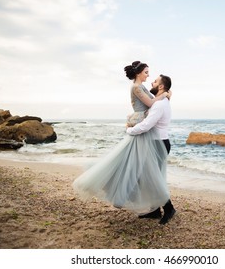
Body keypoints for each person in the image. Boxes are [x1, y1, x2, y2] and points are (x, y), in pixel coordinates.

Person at [72, 61, 172, 223]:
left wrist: (165, 93)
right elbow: (152, 103)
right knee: (139, 170)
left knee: (145, 172)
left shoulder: (144, 89)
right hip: (142, 129)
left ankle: (157, 209)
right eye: (146, 72)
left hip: (144, 130)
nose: (148, 75)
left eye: (150, 74)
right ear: (139, 73)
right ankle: (156, 207)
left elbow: (153, 102)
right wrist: (165, 94)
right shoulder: (137, 87)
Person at [126, 74, 176, 225]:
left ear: (160, 86)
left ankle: (169, 209)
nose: (152, 83)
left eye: (155, 81)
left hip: (157, 144)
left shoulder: (160, 105)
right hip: (157, 143)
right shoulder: (162, 102)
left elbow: (147, 125)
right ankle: (155, 210)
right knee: (149, 178)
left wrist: (130, 130)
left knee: (155, 179)